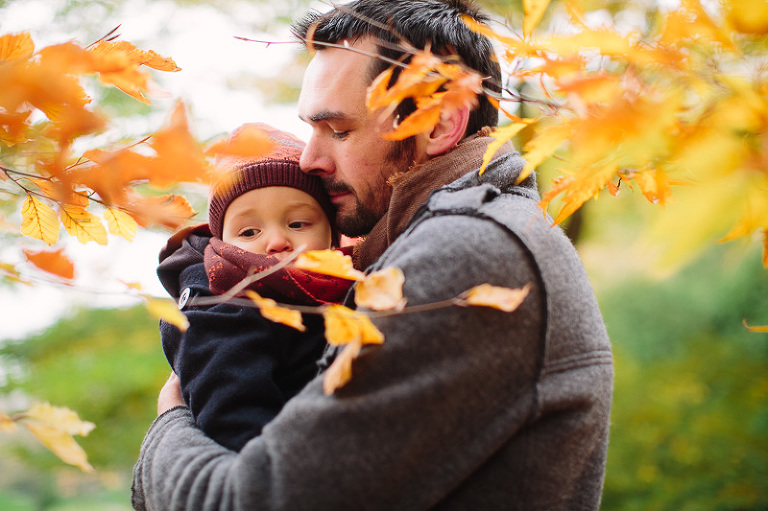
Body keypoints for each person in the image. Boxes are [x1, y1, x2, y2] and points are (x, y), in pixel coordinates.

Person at [132, 1, 613, 509]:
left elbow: (256, 501)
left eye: (338, 131)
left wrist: (170, 424)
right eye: (311, 130)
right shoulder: (429, 245)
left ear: (436, 125)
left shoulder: (469, 252)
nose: (309, 160)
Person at [156, 123, 353, 452]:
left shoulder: (348, 281)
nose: (276, 241)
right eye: (249, 232)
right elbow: (229, 410)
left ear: (332, 235)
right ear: (221, 241)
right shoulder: (222, 301)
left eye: (297, 223)